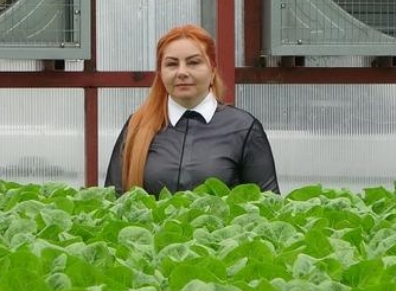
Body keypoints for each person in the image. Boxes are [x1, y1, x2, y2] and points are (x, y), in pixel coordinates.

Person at [105, 24, 279, 195]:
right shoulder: (136, 126)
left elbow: (267, 204)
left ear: (212, 70)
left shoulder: (243, 128)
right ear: (160, 73)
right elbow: (114, 201)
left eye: (193, 63)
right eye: (172, 64)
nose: (182, 72)